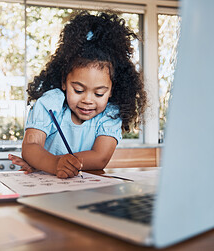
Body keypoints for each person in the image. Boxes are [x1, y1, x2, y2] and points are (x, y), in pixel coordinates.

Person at [8, 11, 147, 179]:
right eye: (79, 90)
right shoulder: (50, 104)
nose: (87, 100)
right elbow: (31, 145)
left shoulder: (110, 114)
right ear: (64, 82)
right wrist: (52, 165)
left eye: (99, 93)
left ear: (111, 91)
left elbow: (100, 157)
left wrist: (43, 162)